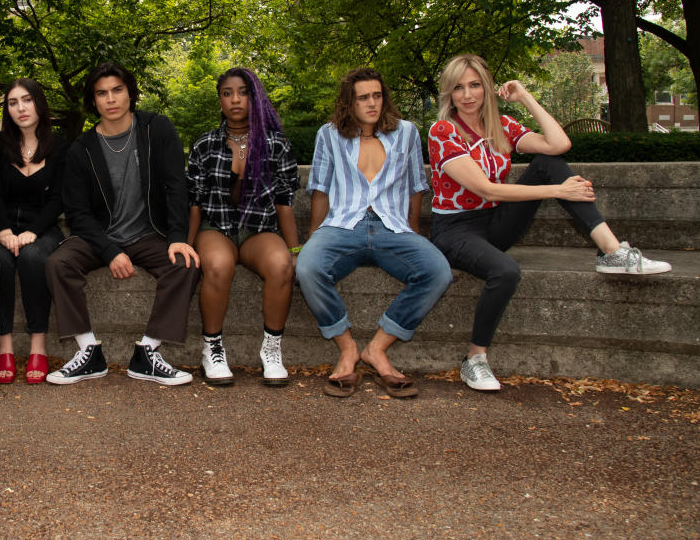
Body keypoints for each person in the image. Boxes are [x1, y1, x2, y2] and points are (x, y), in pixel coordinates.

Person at [428, 53, 671, 392]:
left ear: (486, 88)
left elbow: (560, 143)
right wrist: (561, 190)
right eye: (458, 88)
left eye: (474, 85)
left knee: (548, 160)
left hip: (495, 221)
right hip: (456, 229)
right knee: (506, 271)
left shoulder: (502, 125)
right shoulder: (443, 131)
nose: (467, 95)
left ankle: (612, 251)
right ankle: (475, 359)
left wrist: (525, 96)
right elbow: (484, 187)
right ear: (449, 94)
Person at [296, 68, 453, 398]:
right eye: (362, 97)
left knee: (438, 271)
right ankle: (348, 348)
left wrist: (412, 231)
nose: (371, 103)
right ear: (348, 102)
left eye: (377, 96)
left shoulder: (406, 132)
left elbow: (415, 186)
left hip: (391, 226)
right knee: (308, 267)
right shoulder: (329, 134)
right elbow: (320, 188)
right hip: (342, 225)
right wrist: (313, 234)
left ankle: (377, 349)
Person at [45, 61, 201, 385]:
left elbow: (176, 186)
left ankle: (148, 353)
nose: (111, 99)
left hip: (149, 233)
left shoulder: (156, 130)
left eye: (117, 90)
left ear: (130, 93)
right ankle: (89, 352)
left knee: (185, 263)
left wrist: (177, 236)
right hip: (98, 236)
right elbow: (77, 215)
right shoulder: (82, 150)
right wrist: (110, 250)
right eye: (102, 93)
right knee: (58, 263)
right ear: (93, 101)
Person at [186, 67, 300, 386]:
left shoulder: (274, 143)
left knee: (280, 266)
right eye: (227, 93)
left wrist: (294, 250)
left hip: (257, 228)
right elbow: (194, 202)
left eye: (243, 92)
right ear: (220, 100)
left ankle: (272, 349)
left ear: (255, 97)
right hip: (216, 227)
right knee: (219, 265)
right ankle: (212, 348)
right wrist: (188, 244)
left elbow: (284, 201)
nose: (235, 99)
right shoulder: (206, 144)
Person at [0, 79, 68, 384]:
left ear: (39, 103)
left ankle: (38, 346)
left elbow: (59, 197)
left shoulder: (60, 147)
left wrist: (33, 230)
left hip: (42, 226)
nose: (21, 108)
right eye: (13, 102)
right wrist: (3, 229)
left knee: (33, 258)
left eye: (27, 100)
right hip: (0, 224)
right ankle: (3, 346)